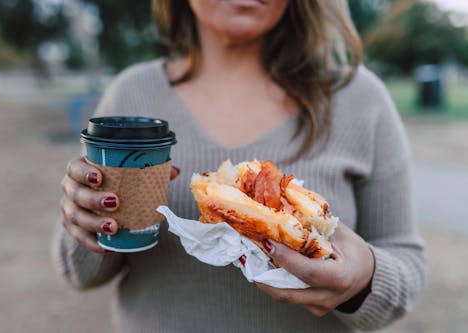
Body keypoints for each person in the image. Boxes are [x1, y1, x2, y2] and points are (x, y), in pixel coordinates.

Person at [53, 0, 426, 332]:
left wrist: (362, 279)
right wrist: (87, 223)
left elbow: (405, 265)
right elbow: (80, 275)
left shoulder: (359, 98)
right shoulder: (133, 94)